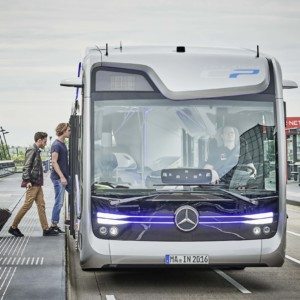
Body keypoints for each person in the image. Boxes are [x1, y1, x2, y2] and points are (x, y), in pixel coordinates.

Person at [8, 132, 58, 237]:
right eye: (44, 141)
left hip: (37, 183)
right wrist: (27, 181)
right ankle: (13, 227)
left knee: (41, 205)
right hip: (33, 183)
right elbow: (27, 166)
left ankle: (46, 229)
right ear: (39, 140)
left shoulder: (36, 150)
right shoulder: (32, 150)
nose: (45, 143)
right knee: (27, 205)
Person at [50, 123, 71, 233]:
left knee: (75, 193)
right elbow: (54, 162)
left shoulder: (63, 144)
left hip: (66, 177)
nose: (70, 132)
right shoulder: (56, 145)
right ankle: (54, 224)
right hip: (59, 178)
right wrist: (62, 177)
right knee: (59, 202)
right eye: (69, 130)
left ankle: (71, 217)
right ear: (63, 131)